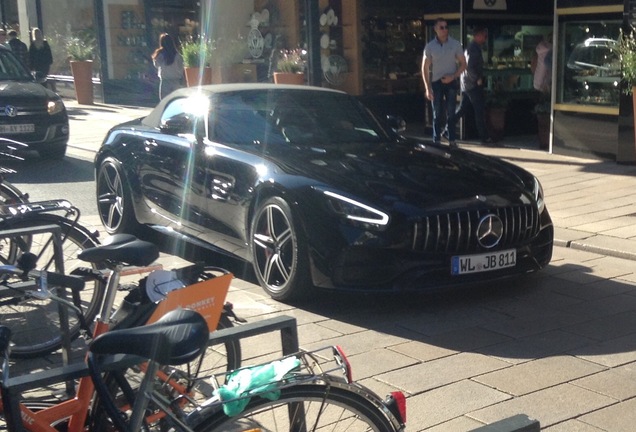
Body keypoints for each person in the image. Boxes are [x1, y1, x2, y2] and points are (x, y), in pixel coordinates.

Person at [421, 18, 467, 148]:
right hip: (436, 83)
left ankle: (452, 139)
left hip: (451, 82)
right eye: (441, 27)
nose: (445, 30)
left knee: (451, 112)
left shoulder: (455, 44)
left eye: (446, 27)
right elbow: (424, 67)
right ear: (435, 29)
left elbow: (463, 64)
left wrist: (453, 76)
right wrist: (427, 87)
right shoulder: (430, 46)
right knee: (437, 113)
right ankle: (436, 140)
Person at [454, 27, 493, 146]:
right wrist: (477, 79)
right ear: (477, 36)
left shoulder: (472, 48)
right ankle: (484, 137)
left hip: (467, 84)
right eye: (484, 35)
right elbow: (469, 67)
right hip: (472, 84)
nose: (485, 38)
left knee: (462, 109)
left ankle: (447, 131)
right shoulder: (473, 49)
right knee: (479, 110)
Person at [152, 33, 184, 100]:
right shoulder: (177, 55)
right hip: (176, 81)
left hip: (165, 81)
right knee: (175, 101)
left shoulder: (160, 54)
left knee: (164, 102)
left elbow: (156, 65)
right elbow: (181, 68)